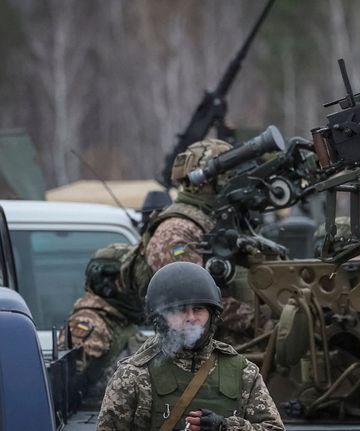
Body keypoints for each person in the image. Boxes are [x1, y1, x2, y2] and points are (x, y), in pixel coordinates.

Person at [98, 261, 284, 431]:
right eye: (180, 310)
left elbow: (273, 428)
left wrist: (225, 427)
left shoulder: (243, 372)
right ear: (161, 318)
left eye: (198, 309)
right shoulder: (133, 376)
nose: (191, 318)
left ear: (212, 315)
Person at [122, 138, 257, 346]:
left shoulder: (215, 220)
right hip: (195, 356)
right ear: (206, 179)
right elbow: (193, 301)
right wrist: (263, 321)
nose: (234, 179)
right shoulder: (175, 230)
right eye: (228, 173)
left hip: (233, 348)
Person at [57, 243, 146, 406]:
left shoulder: (118, 320)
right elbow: (68, 389)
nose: (137, 284)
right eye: (129, 278)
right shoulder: (89, 322)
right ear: (108, 283)